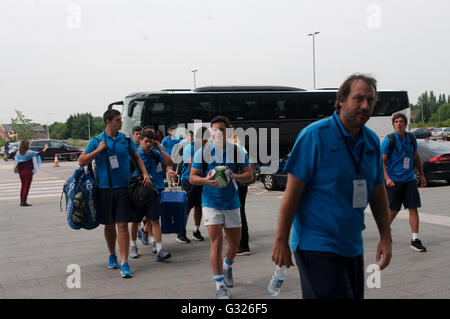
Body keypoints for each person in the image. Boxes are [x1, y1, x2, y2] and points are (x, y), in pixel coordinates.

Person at [271, 74, 392, 299]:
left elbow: (377, 192)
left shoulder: (372, 141)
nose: (365, 105)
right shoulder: (314, 136)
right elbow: (292, 193)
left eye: (370, 100)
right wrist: (281, 240)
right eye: (359, 99)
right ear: (341, 100)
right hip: (316, 244)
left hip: (353, 246)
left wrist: (386, 237)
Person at [78, 109, 151, 279]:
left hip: (124, 189)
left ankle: (125, 262)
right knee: (109, 225)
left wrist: (145, 174)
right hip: (104, 189)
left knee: (122, 224)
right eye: (118, 120)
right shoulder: (97, 140)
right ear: (108, 121)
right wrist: (99, 150)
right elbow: (82, 160)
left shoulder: (125, 139)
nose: (120, 123)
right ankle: (112, 254)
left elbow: (137, 157)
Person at [190, 115, 253, 299]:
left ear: (228, 131)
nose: (217, 133)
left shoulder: (238, 151)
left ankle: (228, 266)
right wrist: (205, 180)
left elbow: (250, 176)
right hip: (211, 204)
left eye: (221, 129)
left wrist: (234, 176)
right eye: (214, 130)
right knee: (216, 244)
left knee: (233, 244)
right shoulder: (202, 152)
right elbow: (192, 177)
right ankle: (219, 287)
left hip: (232, 203)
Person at [382, 113, 427, 252]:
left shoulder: (411, 138)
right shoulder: (389, 140)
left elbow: (416, 157)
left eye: (401, 121)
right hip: (394, 181)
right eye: (396, 121)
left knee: (413, 208)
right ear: (393, 124)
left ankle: (415, 239)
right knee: (393, 210)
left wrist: (422, 175)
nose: (399, 124)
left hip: (409, 180)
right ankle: (384, 231)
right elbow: (381, 161)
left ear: (405, 124)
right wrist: (387, 178)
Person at [130, 130, 176, 261]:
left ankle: (160, 249)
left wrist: (159, 148)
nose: (148, 144)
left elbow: (170, 161)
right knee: (135, 221)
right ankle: (133, 246)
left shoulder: (154, 153)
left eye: (151, 142)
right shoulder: (135, 156)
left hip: (153, 192)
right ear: (140, 141)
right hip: (137, 193)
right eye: (146, 141)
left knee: (155, 220)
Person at [177, 128, 209, 243]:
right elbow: (192, 166)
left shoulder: (205, 149)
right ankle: (181, 232)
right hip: (188, 180)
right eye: (205, 138)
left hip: (200, 180)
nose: (207, 140)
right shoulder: (189, 148)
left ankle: (196, 230)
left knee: (198, 206)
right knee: (187, 207)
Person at [231, 135, 253, 256]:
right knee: (239, 211)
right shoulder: (239, 146)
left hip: (238, 184)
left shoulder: (234, 148)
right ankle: (240, 241)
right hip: (241, 184)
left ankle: (243, 245)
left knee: (238, 212)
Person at [14, 140, 48, 206]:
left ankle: (21, 201)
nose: (29, 145)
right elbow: (39, 153)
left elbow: (16, 160)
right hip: (28, 172)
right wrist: (45, 148)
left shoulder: (18, 153)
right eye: (28, 144)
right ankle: (24, 202)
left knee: (23, 186)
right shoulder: (30, 153)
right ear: (27, 146)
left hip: (21, 172)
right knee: (27, 187)